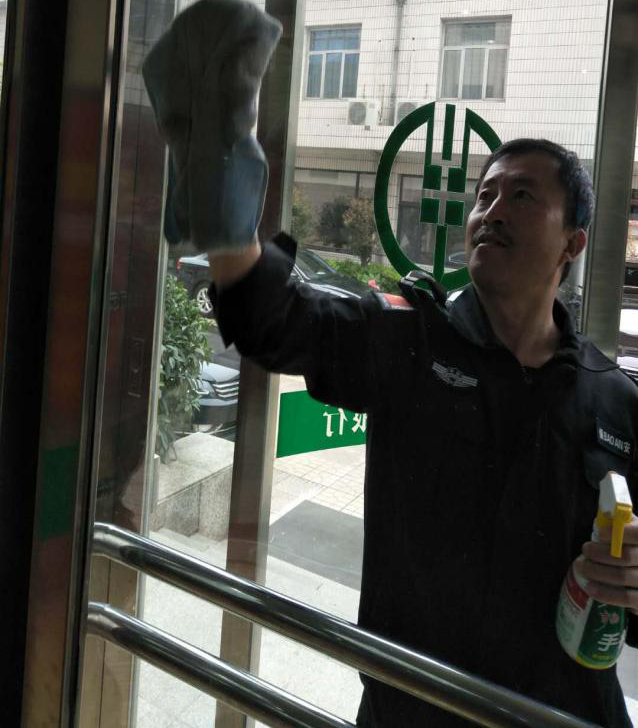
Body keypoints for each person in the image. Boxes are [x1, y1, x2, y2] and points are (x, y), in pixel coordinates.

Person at [209, 138, 638, 727]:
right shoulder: (411, 338)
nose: (493, 212)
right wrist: (222, 184)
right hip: (414, 708)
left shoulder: (614, 401)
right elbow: (271, 321)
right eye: (485, 196)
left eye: (522, 196)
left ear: (573, 243)